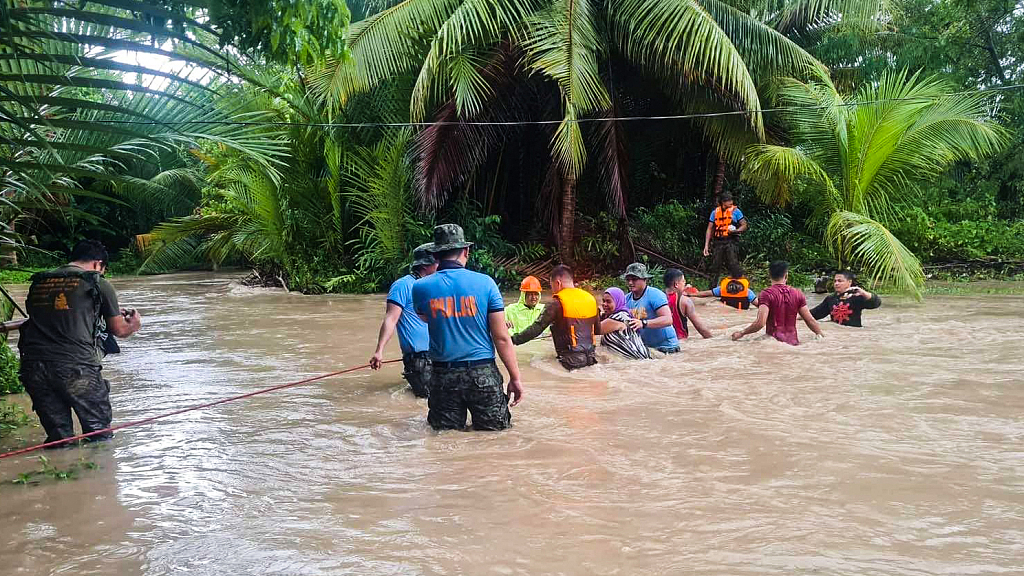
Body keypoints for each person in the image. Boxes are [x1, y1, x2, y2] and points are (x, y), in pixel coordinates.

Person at [18, 240, 142, 445]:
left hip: (34, 367)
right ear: (98, 264)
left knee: (59, 440)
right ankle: (99, 474)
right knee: (99, 436)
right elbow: (119, 329)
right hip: (76, 367)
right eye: (103, 270)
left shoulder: (40, 281)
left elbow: (57, 314)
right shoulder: (97, 282)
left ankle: (61, 471)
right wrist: (134, 324)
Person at [412, 224, 523, 430]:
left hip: (443, 375)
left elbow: (426, 319)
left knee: (445, 439)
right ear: (466, 251)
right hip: (483, 373)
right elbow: (501, 337)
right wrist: (515, 378)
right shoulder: (486, 283)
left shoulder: (420, 287)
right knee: (495, 437)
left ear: (436, 255)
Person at [369, 243, 438, 397]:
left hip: (438, 356)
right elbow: (390, 319)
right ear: (426, 266)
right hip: (419, 360)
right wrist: (379, 351)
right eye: (437, 262)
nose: (440, 265)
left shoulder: (434, 286)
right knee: (428, 400)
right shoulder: (403, 286)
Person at [512, 266, 601, 370]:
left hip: (570, 362)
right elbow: (598, 330)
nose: (552, 291)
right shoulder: (591, 300)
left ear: (558, 283)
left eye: (551, 286)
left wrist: (513, 340)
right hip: (592, 359)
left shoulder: (556, 304)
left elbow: (536, 328)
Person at [732, 260, 824, 345]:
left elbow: (760, 323)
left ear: (769, 275)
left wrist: (742, 333)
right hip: (794, 343)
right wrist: (822, 336)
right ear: (786, 275)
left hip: (773, 344)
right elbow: (810, 320)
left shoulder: (766, 294)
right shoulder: (798, 294)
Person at [622, 263, 679, 354]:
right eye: (628, 280)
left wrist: (643, 323)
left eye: (634, 279)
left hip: (667, 347)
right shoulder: (625, 299)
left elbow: (668, 320)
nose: (630, 283)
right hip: (647, 349)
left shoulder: (655, 295)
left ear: (645, 279)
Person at [702, 193, 748, 284]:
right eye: (728, 201)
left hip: (731, 240)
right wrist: (706, 245)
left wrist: (736, 231)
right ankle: (712, 288)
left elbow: (744, 225)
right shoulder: (715, 213)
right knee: (715, 265)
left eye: (731, 200)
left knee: (733, 263)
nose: (731, 202)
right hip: (718, 241)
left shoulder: (736, 211)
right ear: (723, 202)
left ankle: (739, 286)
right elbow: (710, 229)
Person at [810, 270, 881, 327]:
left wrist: (864, 293)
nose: (836, 283)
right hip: (836, 333)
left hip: (854, 333)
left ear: (849, 282)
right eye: (835, 281)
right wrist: (800, 315)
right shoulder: (830, 298)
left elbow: (876, 303)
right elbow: (816, 313)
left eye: (840, 281)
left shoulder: (856, 296)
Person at [598, 287, 651, 360]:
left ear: (618, 302)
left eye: (608, 301)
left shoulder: (618, 317)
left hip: (633, 362)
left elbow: (594, 330)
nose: (604, 304)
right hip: (640, 360)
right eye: (603, 301)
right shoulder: (625, 314)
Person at [663, 269, 713, 339]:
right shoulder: (685, 301)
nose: (685, 283)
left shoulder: (658, 298)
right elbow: (702, 329)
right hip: (680, 342)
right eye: (683, 281)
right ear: (676, 284)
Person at [692, 271, 759, 310]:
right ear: (742, 279)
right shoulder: (748, 292)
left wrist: (691, 294)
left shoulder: (721, 289)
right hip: (742, 314)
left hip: (723, 312)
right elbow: (759, 305)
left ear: (730, 278)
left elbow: (706, 294)